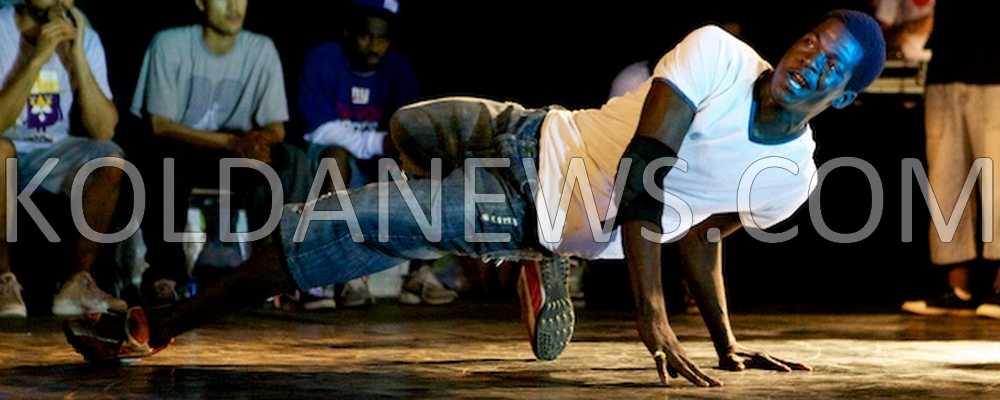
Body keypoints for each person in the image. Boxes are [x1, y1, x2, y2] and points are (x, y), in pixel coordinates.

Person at [66, 10, 885, 388]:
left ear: (842, 99)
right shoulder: (717, 53)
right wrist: (657, 318)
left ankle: (156, 326)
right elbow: (644, 168)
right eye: (810, 40)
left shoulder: (792, 180)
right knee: (409, 128)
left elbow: (698, 231)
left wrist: (718, 341)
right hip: (538, 129)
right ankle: (523, 261)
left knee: (340, 227)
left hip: (531, 199)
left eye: (829, 65)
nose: (807, 59)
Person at [129, 0, 312, 306]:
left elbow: (277, 127)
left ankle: (278, 268)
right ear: (200, 3)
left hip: (237, 153)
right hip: (186, 147)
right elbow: (160, 125)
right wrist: (230, 142)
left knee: (291, 158)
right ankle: (166, 273)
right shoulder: (170, 44)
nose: (233, 7)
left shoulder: (261, 49)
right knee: (161, 158)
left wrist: (257, 141)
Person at [296, 0, 454, 308]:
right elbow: (319, 129)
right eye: (366, 36)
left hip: (379, 166)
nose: (374, 46)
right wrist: (381, 144)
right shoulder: (322, 59)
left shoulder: (398, 69)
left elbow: (410, 130)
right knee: (334, 157)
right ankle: (344, 275)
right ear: (348, 32)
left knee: (427, 162)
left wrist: (397, 150)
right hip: (330, 162)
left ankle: (419, 274)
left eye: (382, 38)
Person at [0, 0, 127, 318]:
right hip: (7, 147)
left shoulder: (86, 36)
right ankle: (2, 280)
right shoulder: (2, 30)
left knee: (109, 158)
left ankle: (76, 284)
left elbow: (103, 128)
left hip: (54, 152)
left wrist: (78, 57)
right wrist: (37, 58)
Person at [901, 2, 1000, 320]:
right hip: (947, 67)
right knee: (946, 180)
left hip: (995, 72)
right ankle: (956, 288)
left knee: (997, 182)